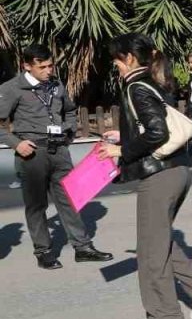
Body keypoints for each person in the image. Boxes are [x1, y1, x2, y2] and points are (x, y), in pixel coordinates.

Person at [96, 33, 192, 319]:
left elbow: (156, 132)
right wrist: (124, 135)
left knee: (150, 250)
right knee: (159, 240)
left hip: (159, 176)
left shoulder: (135, 86)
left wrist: (122, 150)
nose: (115, 66)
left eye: (116, 60)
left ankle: (165, 317)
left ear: (128, 58)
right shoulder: (153, 82)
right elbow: (154, 125)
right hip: (176, 170)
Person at [0, 44, 112, 269]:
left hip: (59, 150)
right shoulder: (12, 88)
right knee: (36, 205)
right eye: (42, 67)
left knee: (69, 199)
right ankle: (43, 251)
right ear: (27, 66)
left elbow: (69, 110)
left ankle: (82, 247)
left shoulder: (56, 84)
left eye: (51, 65)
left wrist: (69, 130)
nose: (48, 70)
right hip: (32, 154)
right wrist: (16, 143)